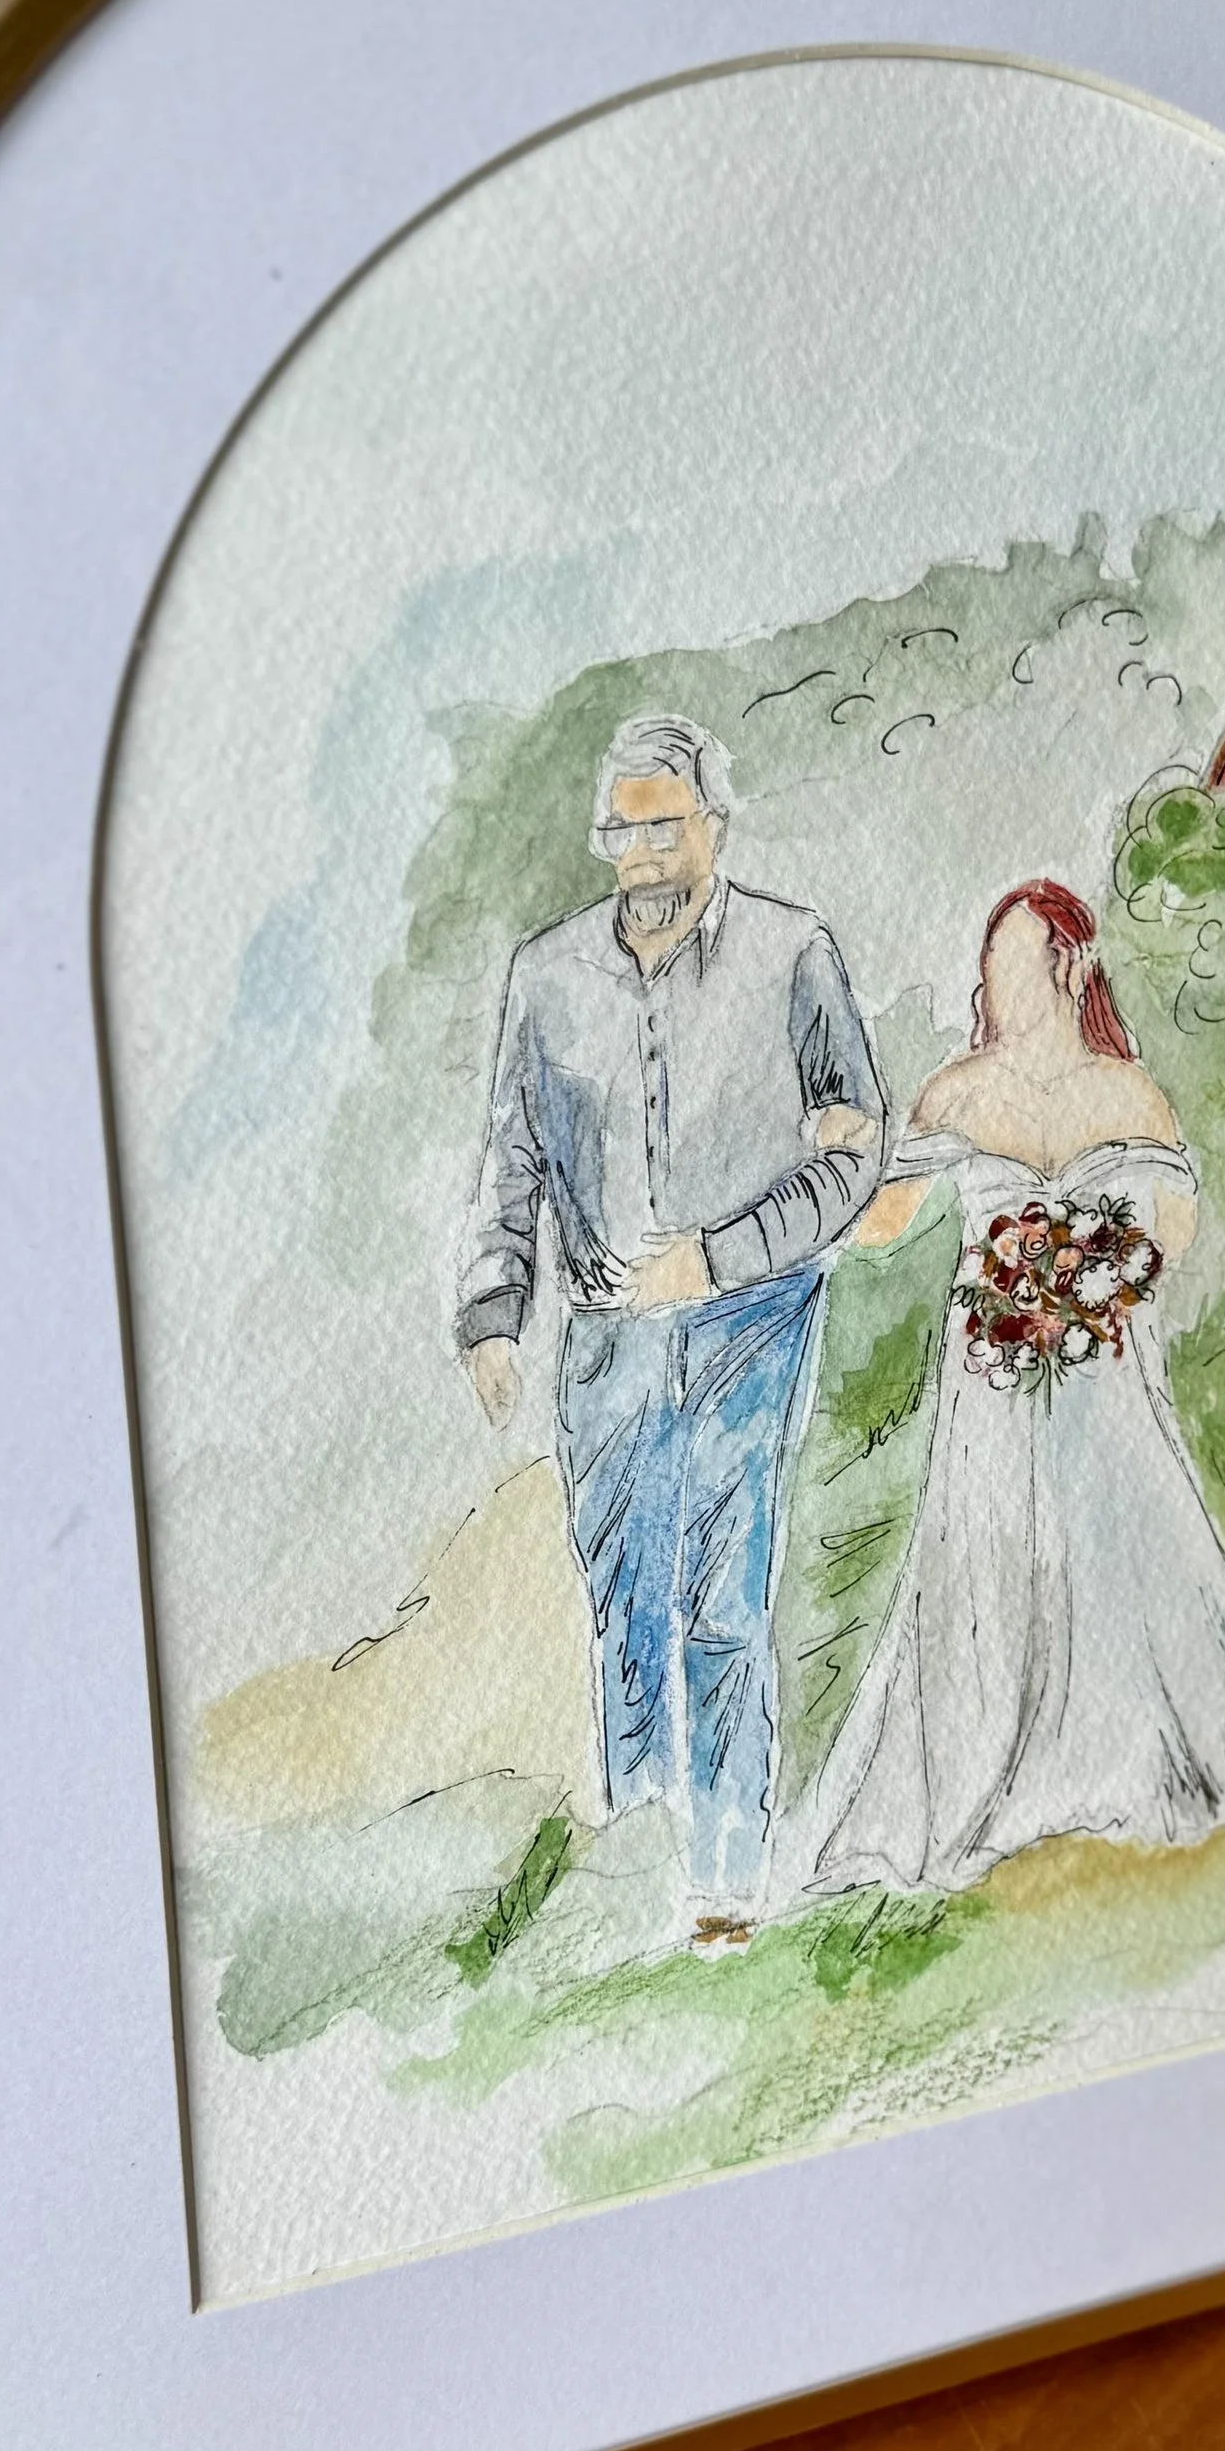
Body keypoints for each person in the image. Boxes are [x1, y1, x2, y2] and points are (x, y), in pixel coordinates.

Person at [795, 877, 1225, 1898]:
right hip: (992, 1390)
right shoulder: (956, 1092)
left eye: (1016, 960)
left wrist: (1094, 1269)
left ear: (1069, 963)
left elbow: (1176, 1231)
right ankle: (990, 1776)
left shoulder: (1129, 1091)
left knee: (1126, 1545)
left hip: (1107, 1384)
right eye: (991, 964)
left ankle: (1123, 1756)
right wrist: (845, 1156)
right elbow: (883, 1224)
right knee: (989, 1559)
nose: (998, 981)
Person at [458, 713, 884, 1944]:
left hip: (750, 1321)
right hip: (602, 1349)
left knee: (722, 1601)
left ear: (714, 826)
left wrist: (717, 1255)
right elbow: (512, 1160)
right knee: (623, 1607)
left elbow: (855, 1151)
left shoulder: (793, 952)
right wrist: (494, 1312)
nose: (642, 852)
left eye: (665, 825)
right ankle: (644, 1876)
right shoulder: (547, 978)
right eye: (623, 831)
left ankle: (727, 1888)